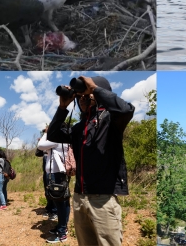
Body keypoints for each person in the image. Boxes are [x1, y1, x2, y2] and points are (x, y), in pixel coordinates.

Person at [47, 76, 135, 246]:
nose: (82, 99)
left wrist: (95, 89)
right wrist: (62, 107)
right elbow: (53, 135)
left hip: (103, 199)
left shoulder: (111, 120)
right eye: (80, 97)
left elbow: (125, 110)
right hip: (80, 197)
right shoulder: (79, 127)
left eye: (86, 95)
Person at [38, 127, 71, 243]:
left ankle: (62, 233)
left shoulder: (57, 140)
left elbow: (40, 146)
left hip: (56, 175)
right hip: (59, 174)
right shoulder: (64, 140)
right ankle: (63, 227)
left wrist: (46, 133)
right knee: (64, 202)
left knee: (60, 203)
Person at [38, 128, 58, 221]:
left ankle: (55, 211)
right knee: (47, 190)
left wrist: (46, 134)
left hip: (53, 169)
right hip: (46, 169)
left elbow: (42, 145)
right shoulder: (46, 142)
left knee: (52, 189)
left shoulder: (55, 139)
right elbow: (38, 151)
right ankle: (49, 208)